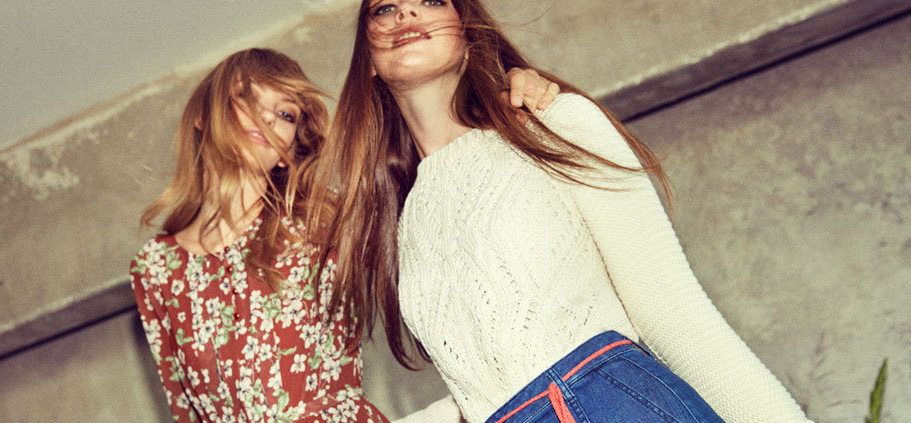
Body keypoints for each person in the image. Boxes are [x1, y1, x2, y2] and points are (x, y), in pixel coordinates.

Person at [305, 1, 813, 422]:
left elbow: (673, 311)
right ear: (368, 62)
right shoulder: (399, 218)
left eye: (433, 0)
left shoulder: (551, 123)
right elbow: (480, 386)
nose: (406, 14)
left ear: (468, 34)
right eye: (385, 8)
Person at [129, 47, 560, 422]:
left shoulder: (325, 220)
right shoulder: (155, 268)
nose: (266, 116)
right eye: (245, 97)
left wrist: (500, 91)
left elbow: (439, 190)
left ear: (290, 148)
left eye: (285, 113)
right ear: (202, 114)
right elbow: (185, 408)